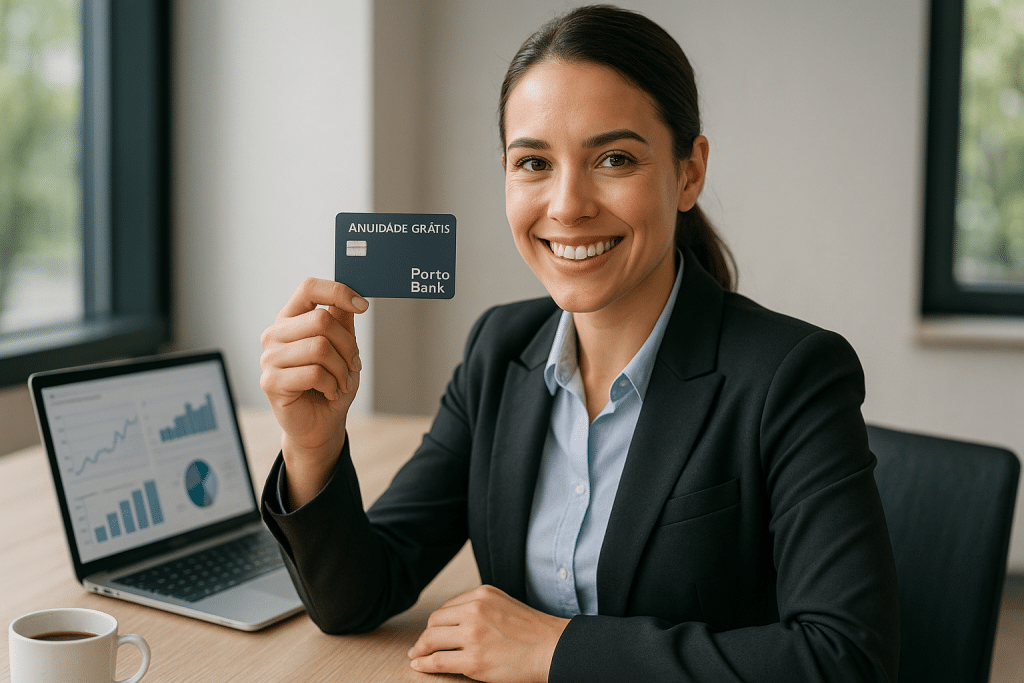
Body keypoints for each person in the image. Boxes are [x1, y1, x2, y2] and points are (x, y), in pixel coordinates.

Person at [258, 5, 900, 682]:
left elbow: (846, 660)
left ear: (688, 173)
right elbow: (360, 593)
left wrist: (556, 649)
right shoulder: (498, 351)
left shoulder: (792, 377)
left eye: (614, 158)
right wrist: (313, 443)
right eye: (533, 162)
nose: (567, 204)